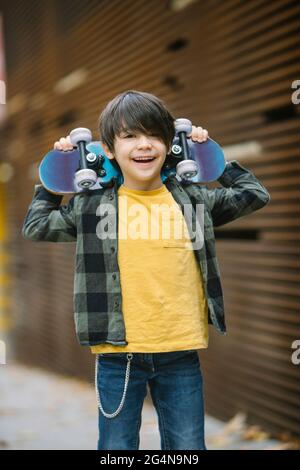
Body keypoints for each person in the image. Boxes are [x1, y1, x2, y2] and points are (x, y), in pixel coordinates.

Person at [22, 90, 270, 450]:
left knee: (188, 448)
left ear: (170, 144)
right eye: (130, 136)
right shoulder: (91, 205)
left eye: (155, 135)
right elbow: (36, 225)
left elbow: (254, 193)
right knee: (117, 448)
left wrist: (208, 153)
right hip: (117, 355)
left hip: (180, 353)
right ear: (108, 148)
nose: (144, 145)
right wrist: (58, 169)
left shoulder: (193, 199)